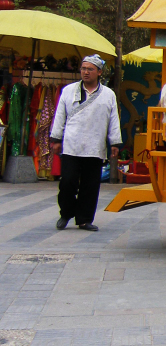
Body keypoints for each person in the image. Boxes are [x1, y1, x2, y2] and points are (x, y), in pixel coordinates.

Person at [49, 55, 122, 231]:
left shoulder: (108, 94)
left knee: (90, 185)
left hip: (95, 146)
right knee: (67, 182)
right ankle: (66, 213)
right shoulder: (68, 91)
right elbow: (60, 116)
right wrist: (56, 139)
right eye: (83, 69)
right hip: (71, 145)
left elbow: (113, 119)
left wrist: (115, 143)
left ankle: (84, 219)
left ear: (99, 72)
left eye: (90, 69)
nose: (86, 72)